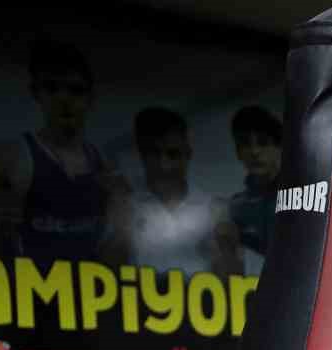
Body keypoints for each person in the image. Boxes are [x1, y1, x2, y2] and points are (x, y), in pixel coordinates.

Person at [0, 40, 129, 264]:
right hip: (28, 292)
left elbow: (120, 248)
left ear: (90, 98)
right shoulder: (11, 158)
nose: (64, 100)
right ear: (36, 93)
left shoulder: (105, 167)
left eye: (75, 90)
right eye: (52, 88)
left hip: (86, 294)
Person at [107, 107, 242, 276]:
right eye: (154, 153)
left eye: (173, 154)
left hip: (199, 300)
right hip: (139, 300)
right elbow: (105, 274)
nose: (164, 164)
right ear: (142, 154)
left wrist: (226, 249)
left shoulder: (213, 209)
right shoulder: (126, 204)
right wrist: (121, 231)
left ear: (188, 153)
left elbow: (233, 278)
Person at [227, 104, 283, 275]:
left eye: (263, 142)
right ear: (238, 152)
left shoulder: (300, 198)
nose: (254, 151)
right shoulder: (235, 208)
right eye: (245, 144)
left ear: (278, 147)